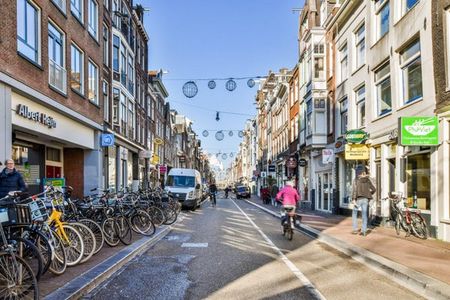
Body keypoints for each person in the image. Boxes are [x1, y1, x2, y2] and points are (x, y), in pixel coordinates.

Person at [352, 165, 376, 236]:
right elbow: (374, 189)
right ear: (364, 173)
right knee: (364, 215)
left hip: (358, 199)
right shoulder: (368, 180)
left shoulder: (356, 180)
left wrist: (353, 199)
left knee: (354, 213)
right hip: (365, 199)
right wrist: (369, 193)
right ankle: (363, 231)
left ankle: (355, 229)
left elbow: (354, 190)